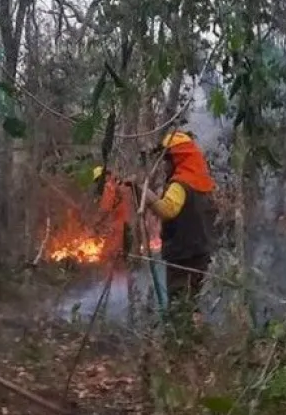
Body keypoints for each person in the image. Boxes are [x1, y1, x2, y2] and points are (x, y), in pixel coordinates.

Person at [139, 130, 216, 313]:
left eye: (167, 160)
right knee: (192, 302)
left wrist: (143, 192)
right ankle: (195, 338)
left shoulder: (180, 184)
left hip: (182, 256)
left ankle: (180, 339)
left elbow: (167, 210)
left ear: (177, 160)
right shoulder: (201, 183)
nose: (165, 166)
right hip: (200, 253)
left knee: (179, 305)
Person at [92, 166, 133, 270]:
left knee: (108, 255)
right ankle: (128, 282)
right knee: (124, 257)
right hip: (128, 225)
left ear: (106, 176)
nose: (98, 184)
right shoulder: (120, 184)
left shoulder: (109, 187)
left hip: (118, 227)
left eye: (98, 180)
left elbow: (105, 210)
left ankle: (111, 283)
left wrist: (96, 224)